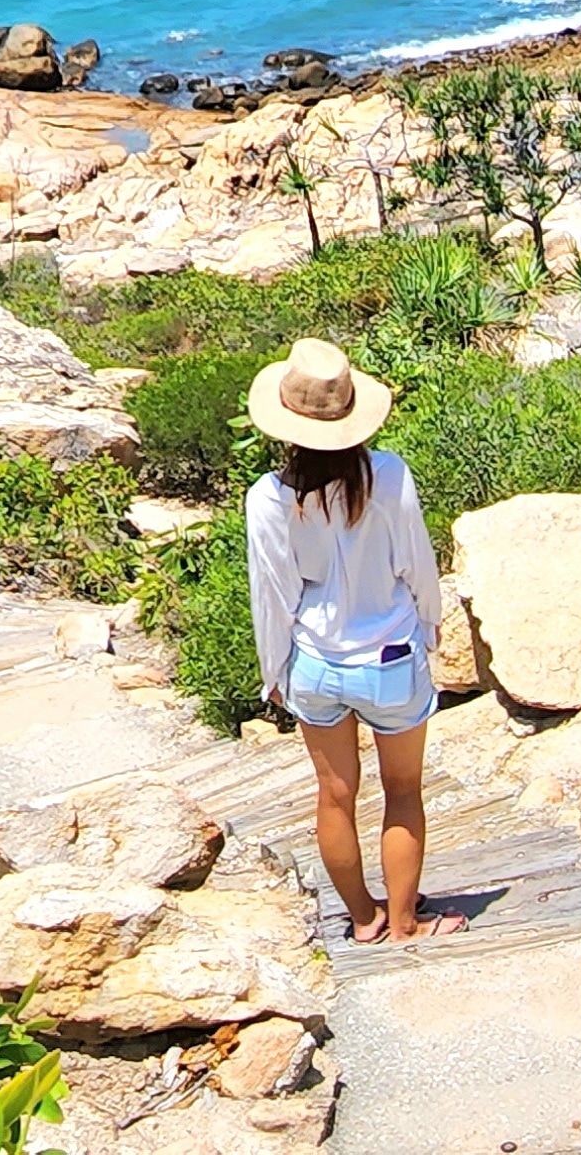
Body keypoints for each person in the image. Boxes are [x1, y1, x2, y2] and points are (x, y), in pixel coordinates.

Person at [244, 338, 464, 942]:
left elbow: (273, 595)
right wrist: (429, 620)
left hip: (315, 664)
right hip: (390, 657)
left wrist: (275, 671)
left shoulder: (267, 498)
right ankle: (405, 922)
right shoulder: (387, 475)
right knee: (403, 792)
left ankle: (364, 918)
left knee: (334, 798)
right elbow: (416, 562)